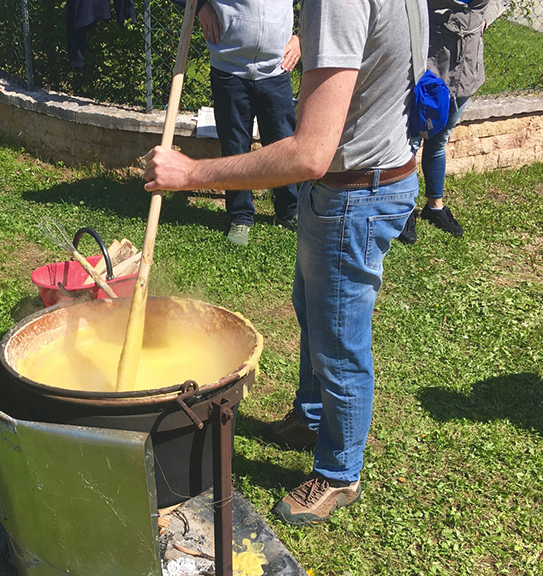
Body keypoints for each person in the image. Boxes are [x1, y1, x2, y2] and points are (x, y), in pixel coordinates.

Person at [146, 0, 425, 524]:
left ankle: (340, 472)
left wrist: (190, 174)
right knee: (314, 308)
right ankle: (312, 414)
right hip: (357, 179)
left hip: (354, 191)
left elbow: (307, 154)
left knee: (339, 336)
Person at [193, 0, 300, 246]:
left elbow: (317, 6)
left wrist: (301, 37)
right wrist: (200, 7)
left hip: (276, 69)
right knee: (234, 146)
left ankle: (289, 210)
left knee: (282, 143)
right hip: (229, 68)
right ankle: (240, 216)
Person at [398, 0, 505, 244]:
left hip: (467, 64)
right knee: (411, 138)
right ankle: (404, 209)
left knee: (439, 140)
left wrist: (485, 19)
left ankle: (435, 206)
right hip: (429, 58)